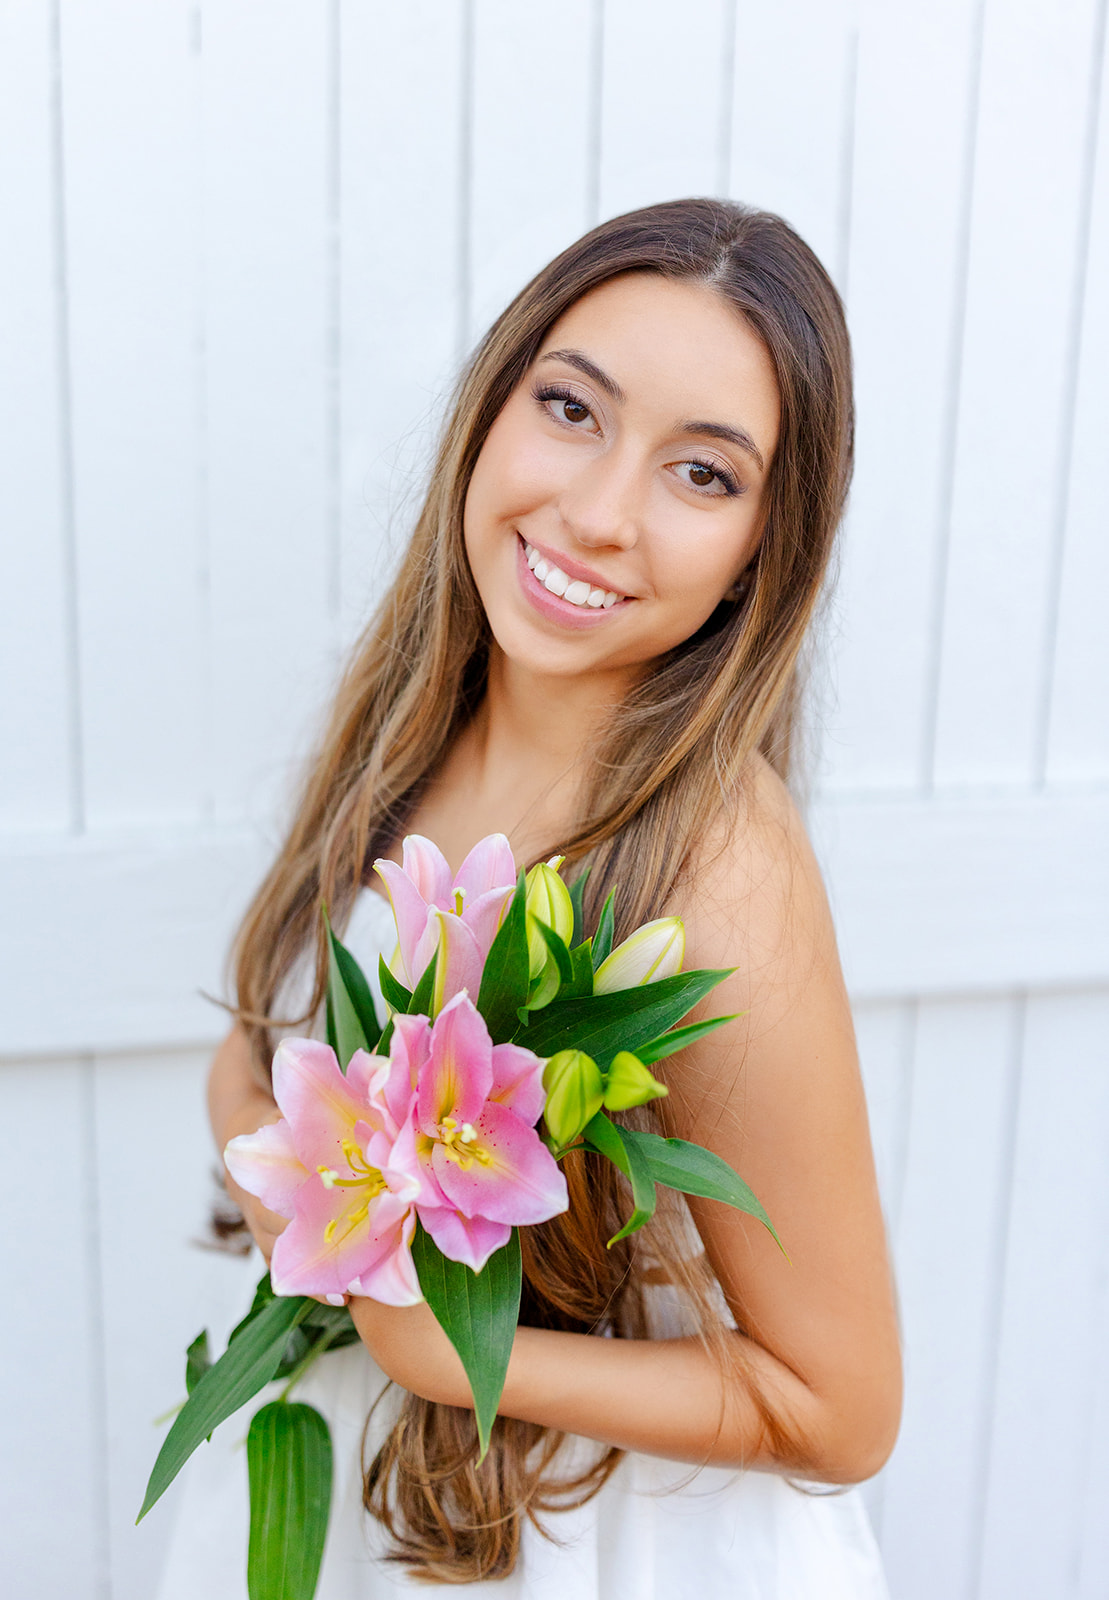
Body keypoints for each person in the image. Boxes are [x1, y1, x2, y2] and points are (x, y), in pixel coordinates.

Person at [159, 197, 901, 1598]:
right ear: (492, 404)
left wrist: (438, 1344)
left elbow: (840, 1406)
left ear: (764, 546)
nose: (598, 513)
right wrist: (288, 1182)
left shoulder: (711, 873)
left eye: (700, 475)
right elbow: (263, 1060)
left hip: (591, 1547)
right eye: (572, 409)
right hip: (376, 1504)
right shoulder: (414, 727)